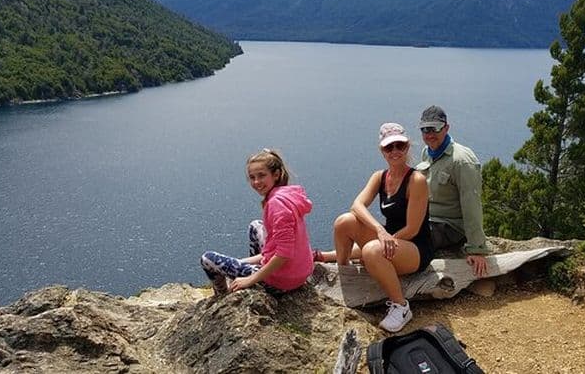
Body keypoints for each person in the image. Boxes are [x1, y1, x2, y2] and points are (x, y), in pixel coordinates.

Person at [332, 123, 433, 332]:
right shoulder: (380, 177)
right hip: (389, 238)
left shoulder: (416, 180)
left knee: (371, 250)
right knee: (344, 222)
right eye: (389, 147)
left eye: (400, 146)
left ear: (407, 147)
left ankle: (401, 306)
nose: (395, 151)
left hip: (415, 248)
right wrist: (380, 231)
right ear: (382, 150)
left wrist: (382, 240)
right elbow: (356, 206)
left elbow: (413, 229)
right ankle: (344, 272)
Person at [200, 149, 314, 296]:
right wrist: (241, 262)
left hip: (283, 281)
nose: (256, 182)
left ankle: (223, 295)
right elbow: (277, 248)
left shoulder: (277, 205)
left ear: (276, 174)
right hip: (299, 272)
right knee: (256, 226)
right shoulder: (287, 194)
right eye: (252, 177)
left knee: (207, 259)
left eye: (261, 176)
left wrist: (251, 279)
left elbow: (284, 254)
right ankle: (254, 273)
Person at [417, 105, 491, 277]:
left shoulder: (461, 161)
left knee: (408, 241)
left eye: (434, 128)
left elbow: (471, 203)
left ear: (446, 128)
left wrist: (476, 248)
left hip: (450, 226)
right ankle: (343, 255)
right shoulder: (427, 153)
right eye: (424, 129)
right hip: (428, 220)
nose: (429, 134)